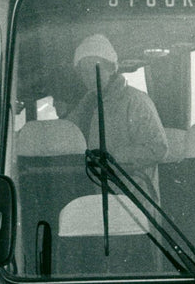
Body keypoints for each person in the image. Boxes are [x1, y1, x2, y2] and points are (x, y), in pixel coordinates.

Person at [67, 33, 168, 199]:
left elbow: (158, 148)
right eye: (84, 72)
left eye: (95, 70)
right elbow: (67, 135)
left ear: (111, 68)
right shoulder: (85, 105)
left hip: (133, 199)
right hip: (95, 195)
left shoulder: (136, 101)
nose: (89, 77)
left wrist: (114, 156)